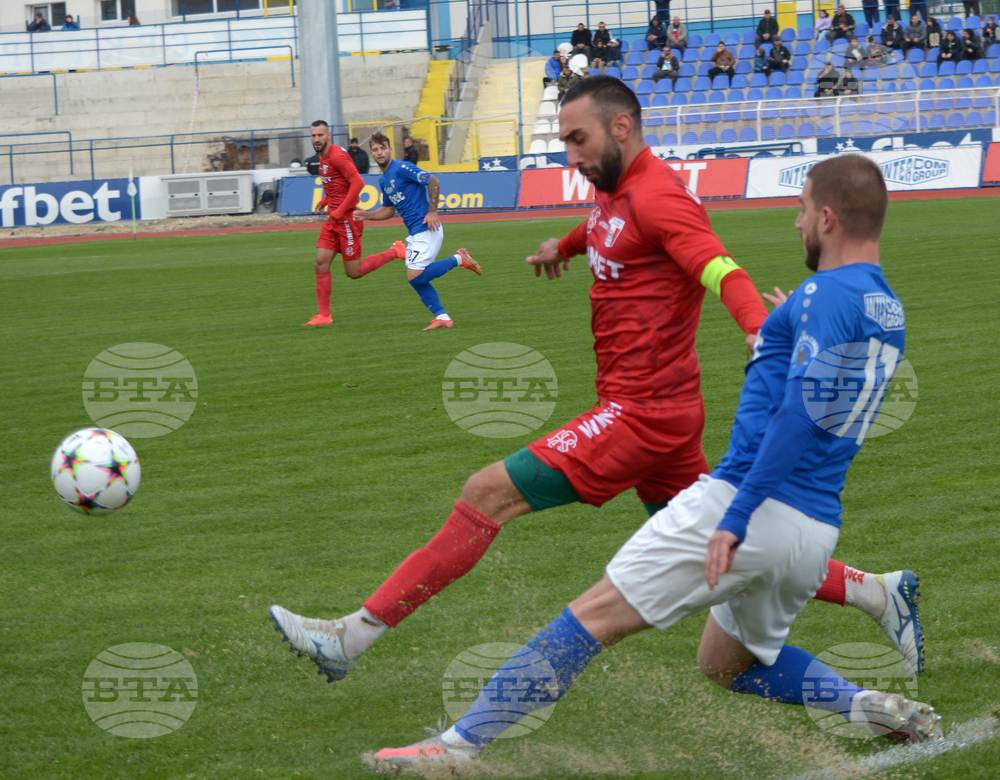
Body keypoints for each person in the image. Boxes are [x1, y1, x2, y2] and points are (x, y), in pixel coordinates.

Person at [269, 77, 924, 688]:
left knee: (486, 493)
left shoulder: (662, 196)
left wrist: (758, 332)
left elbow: (722, 270)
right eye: (564, 141)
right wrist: (564, 246)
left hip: (640, 414)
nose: (571, 154)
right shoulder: (616, 186)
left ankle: (351, 638)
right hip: (666, 414)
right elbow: (607, 224)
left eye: (578, 139)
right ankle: (875, 592)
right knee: (723, 549)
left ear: (622, 128)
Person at [371, 154, 941, 773]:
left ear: (827, 218)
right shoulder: (884, 306)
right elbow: (820, 385)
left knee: (590, 618)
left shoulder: (820, 296)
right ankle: (871, 709)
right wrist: (780, 334)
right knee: (724, 663)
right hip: (815, 528)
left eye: (802, 210)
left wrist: (735, 516)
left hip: (747, 505)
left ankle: (456, 748)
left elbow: (797, 418)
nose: (796, 222)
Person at [348, 132, 481, 331]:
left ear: (390, 149)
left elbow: (433, 181)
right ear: (372, 154)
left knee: (416, 276)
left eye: (383, 148)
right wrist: (366, 215)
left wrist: (432, 211)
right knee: (416, 279)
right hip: (417, 232)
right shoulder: (383, 180)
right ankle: (442, 317)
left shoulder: (402, 168)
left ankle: (459, 258)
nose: (380, 152)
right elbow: (389, 210)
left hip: (427, 227)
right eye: (375, 150)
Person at [300, 120, 369, 328]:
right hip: (334, 219)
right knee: (320, 263)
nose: (316, 139)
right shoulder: (322, 157)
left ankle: (395, 251)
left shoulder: (337, 155)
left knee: (353, 272)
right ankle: (324, 316)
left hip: (346, 219)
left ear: (329, 136)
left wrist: (339, 211)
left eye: (320, 135)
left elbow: (358, 183)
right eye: (313, 135)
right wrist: (325, 201)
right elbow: (336, 184)